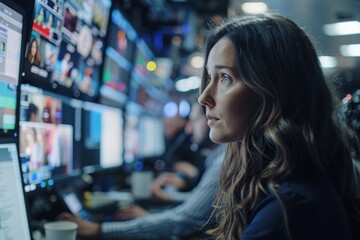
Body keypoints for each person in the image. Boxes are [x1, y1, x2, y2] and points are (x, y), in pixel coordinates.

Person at [197, 13, 360, 240]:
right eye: (209, 77)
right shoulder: (283, 186)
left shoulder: (290, 207)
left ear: (272, 91)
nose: (204, 97)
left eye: (225, 78)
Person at [58, 102, 226, 239]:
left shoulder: (221, 164)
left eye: (194, 121)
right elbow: (200, 204)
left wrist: (98, 230)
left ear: (212, 119)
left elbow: (182, 221)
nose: (188, 129)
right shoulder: (217, 160)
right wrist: (168, 198)